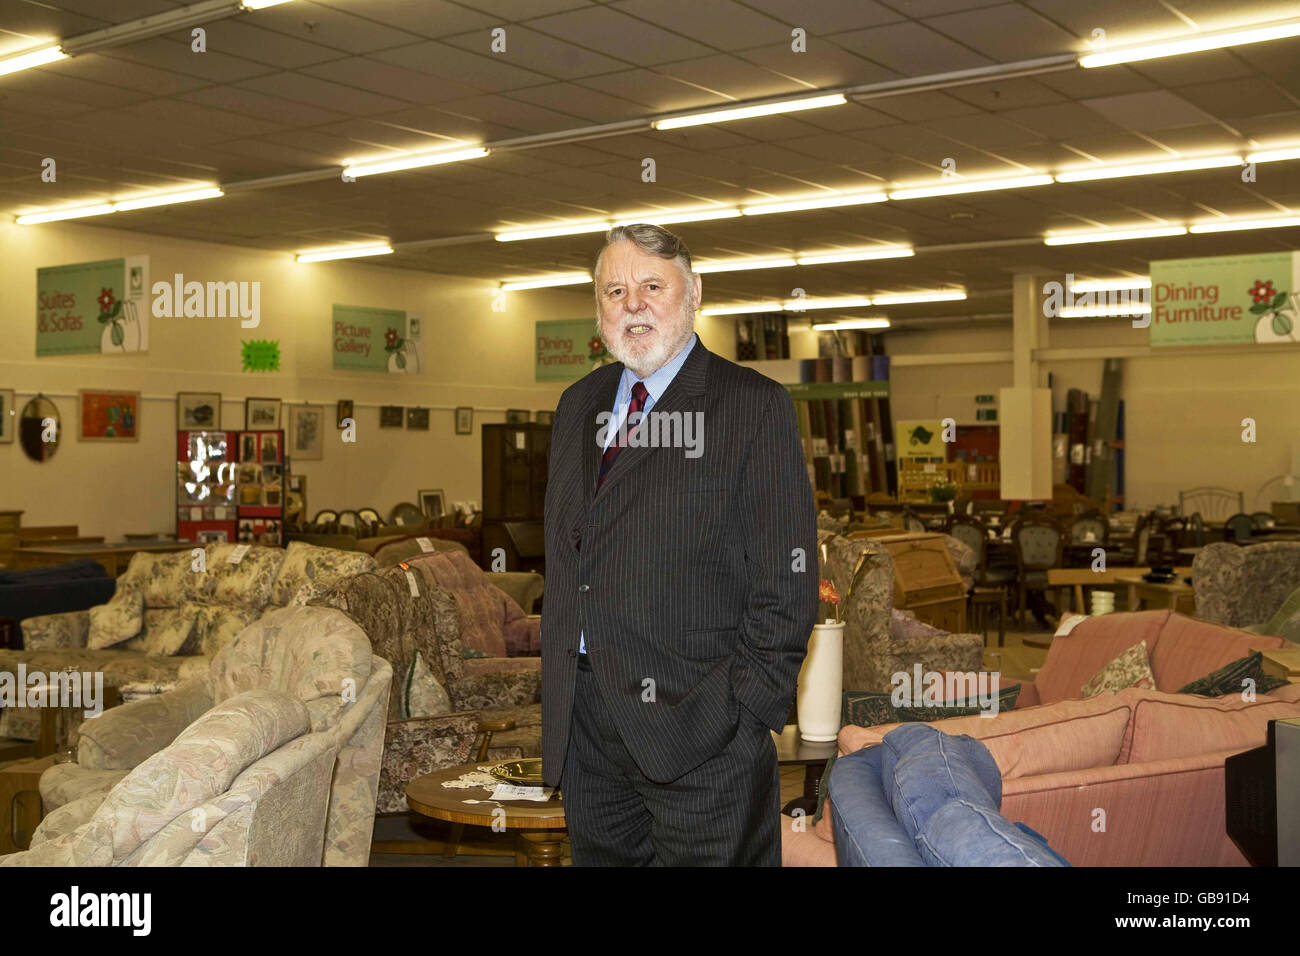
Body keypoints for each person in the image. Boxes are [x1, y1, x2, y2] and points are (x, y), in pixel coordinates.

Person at [541, 222, 818, 865]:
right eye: (614, 290)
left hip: (703, 730)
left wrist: (745, 711)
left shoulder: (753, 406)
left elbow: (787, 576)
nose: (632, 303)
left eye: (650, 286)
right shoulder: (577, 406)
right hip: (587, 727)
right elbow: (573, 560)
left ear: (694, 292)